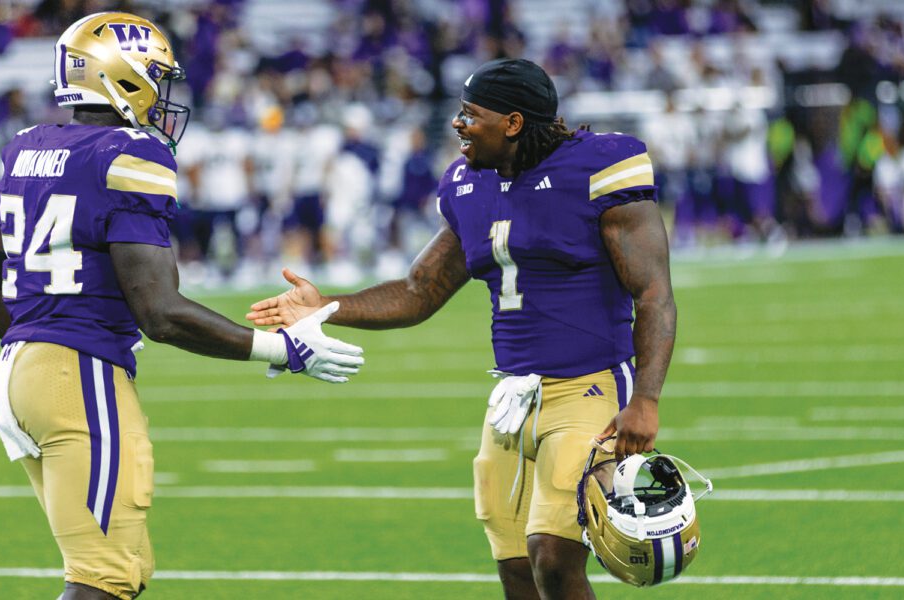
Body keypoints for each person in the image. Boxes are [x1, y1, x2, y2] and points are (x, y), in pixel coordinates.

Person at [0, 13, 365, 600]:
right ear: (121, 78)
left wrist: (41, 343)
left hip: (17, 374)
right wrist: (284, 349)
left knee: (127, 568)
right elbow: (161, 313)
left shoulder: (28, 148)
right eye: (153, 76)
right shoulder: (131, 155)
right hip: (78, 375)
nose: (161, 94)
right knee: (102, 579)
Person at [247, 58, 676, 600]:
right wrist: (324, 305)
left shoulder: (598, 168)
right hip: (511, 399)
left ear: (514, 123)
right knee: (516, 567)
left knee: (553, 556)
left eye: (471, 114)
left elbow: (653, 291)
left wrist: (647, 398)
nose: (458, 124)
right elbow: (419, 290)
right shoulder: (469, 182)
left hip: (589, 389)